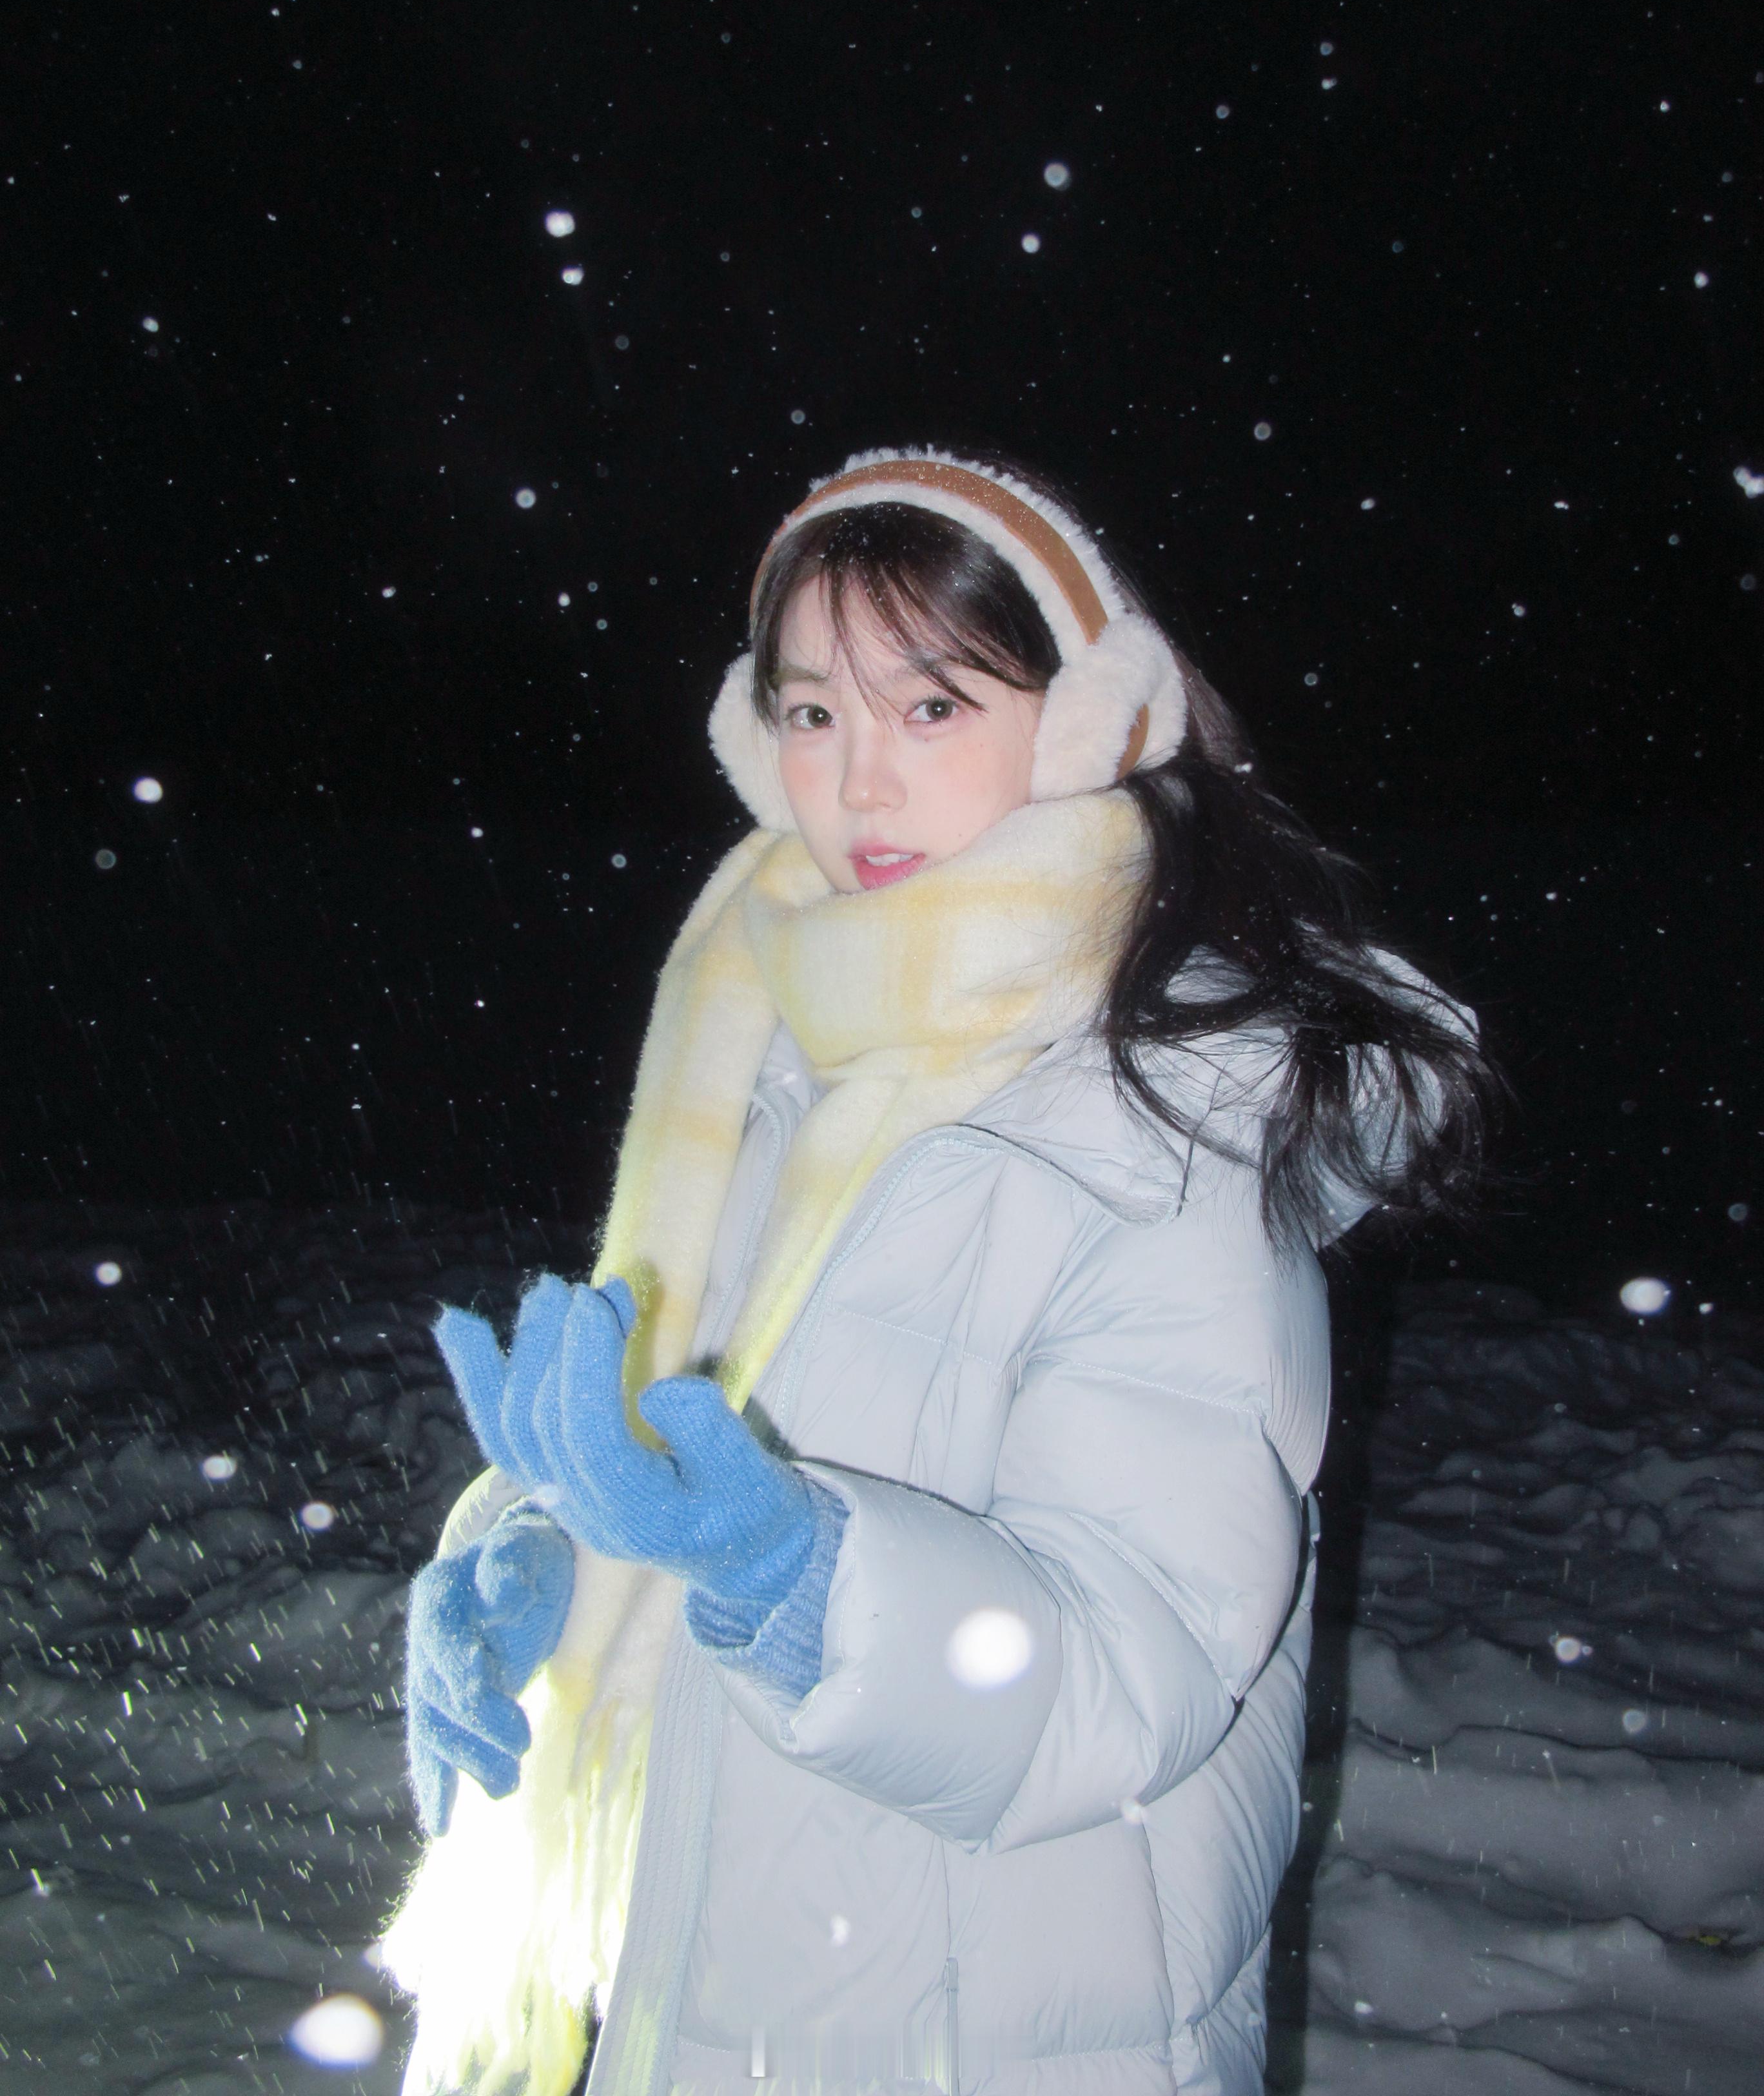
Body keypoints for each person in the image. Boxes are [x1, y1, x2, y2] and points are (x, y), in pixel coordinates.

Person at [382, 449, 1498, 2096]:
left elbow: (1138, 1662)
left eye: (932, 705)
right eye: (812, 711)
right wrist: (550, 1557)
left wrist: (793, 1577)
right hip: (725, 1998)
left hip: (998, 2033)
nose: (860, 782)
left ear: (1083, 724)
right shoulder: (776, 1041)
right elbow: (713, 1445)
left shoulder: (1165, 1120)